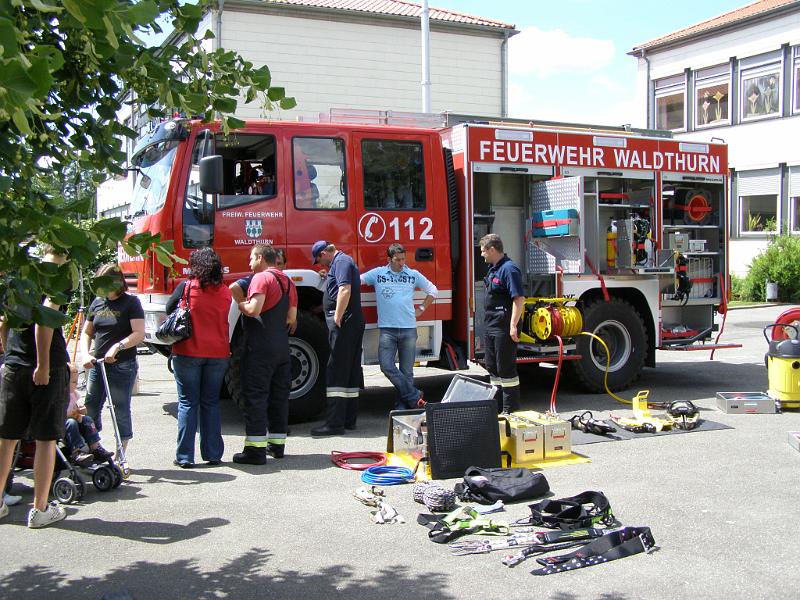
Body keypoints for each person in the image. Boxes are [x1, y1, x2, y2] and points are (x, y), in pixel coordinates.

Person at [0, 248, 70, 528]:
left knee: (6, 439)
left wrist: (7, 351)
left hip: (14, 365)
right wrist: (41, 365)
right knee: (45, 440)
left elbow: (4, 320)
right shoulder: (56, 280)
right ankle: (40, 509)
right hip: (47, 368)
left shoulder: (19, 277)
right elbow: (45, 322)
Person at [166, 248, 232, 468]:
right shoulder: (225, 291)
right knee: (210, 403)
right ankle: (213, 454)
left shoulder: (186, 287)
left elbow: (169, 310)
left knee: (187, 403)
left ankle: (185, 457)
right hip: (218, 353)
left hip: (188, 351)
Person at [233, 244, 297, 464]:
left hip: (260, 348)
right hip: (282, 349)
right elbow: (291, 318)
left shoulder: (261, 278)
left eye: (251, 258)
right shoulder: (288, 282)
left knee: (256, 397)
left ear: (261, 258)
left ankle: (255, 451)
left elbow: (254, 309)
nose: (249, 263)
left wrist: (241, 304)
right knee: (279, 397)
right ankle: (277, 445)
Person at [80, 263, 145, 459]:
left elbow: (139, 333)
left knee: (119, 408)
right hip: (97, 364)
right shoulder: (97, 303)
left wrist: (119, 346)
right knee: (90, 405)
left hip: (122, 365)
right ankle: (93, 446)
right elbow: (87, 332)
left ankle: (121, 452)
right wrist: (85, 354)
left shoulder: (131, 303)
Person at [361, 243, 437, 409]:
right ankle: (414, 395)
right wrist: (329, 275)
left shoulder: (412, 274)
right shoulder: (378, 274)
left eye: (403, 259)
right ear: (389, 259)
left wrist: (422, 308)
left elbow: (433, 290)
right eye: (398, 260)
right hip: (387, 330)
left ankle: (402, 407)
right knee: (386, 366)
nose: (402, 263)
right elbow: (356, 279)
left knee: (407, 371)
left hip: (409, 329)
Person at [309, 241, 364, 437]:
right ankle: (348, 420)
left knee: (336, 370)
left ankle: (334, 423)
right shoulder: (341, 263)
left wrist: (337, 316)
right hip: (352, 321)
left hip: (344, 322)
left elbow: (344, 290)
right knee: (349, 370)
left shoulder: (341, 262)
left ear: (324, 253)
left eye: (319, 260)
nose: (320, 265)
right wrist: (329, 276)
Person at [479, 234, 524, 414]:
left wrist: (513, 325)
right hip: (492, 325)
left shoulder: (509, 269)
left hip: (504, 326)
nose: (482, 255)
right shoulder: (493, 269)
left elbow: (518, 299)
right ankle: (496, 408)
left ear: (492, 249)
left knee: (505, 369)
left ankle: (510, 411)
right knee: (493, 367)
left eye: (483, 251)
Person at [64, 364, 114, 466]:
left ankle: (95, 447)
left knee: (88, 419)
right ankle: (76, 452)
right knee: (71, 422)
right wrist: (72, 414)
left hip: (75, 418)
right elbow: (58, 413)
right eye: (74, 382)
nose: (76, 384)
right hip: (63, 423)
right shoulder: (59, 396)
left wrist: (82, 410)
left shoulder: (74, 394)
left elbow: (80, 408)